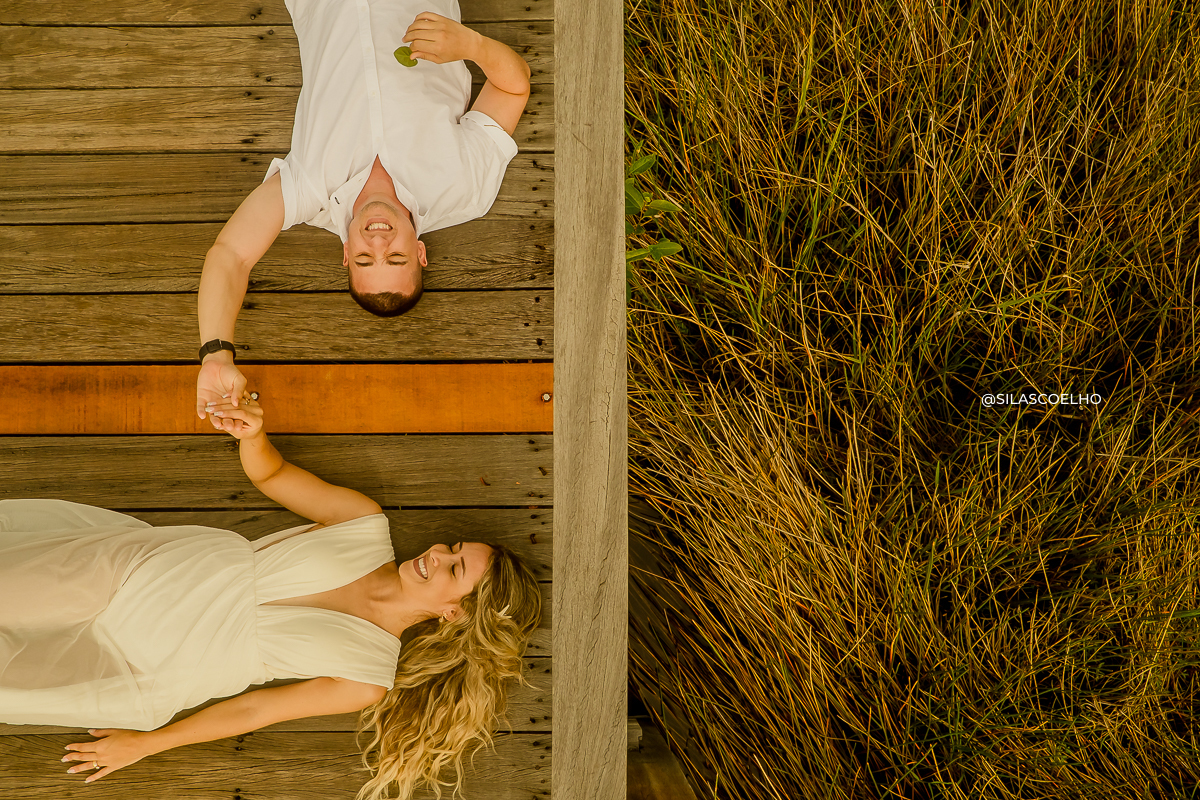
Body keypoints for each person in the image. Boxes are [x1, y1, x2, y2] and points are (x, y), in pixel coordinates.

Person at [0, 394, 542, 800]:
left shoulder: (367, 676)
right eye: (451, 546)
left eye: (455, 568)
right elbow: (275, 473)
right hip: (139, 574)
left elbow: (256, 709)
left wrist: (145, 744)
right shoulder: (363, 523)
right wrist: (252, 435)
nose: (436, 553)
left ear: (454, 614)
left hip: (149, 664)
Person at [196, 0, 532, 424]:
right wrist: (472, 45)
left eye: (363, 258)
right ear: (421, 252)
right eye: (395, 257)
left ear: (345, 254)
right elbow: (512, 88)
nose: (377, 241)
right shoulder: (465, 188)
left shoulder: (308, 192)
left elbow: (231, 255)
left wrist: (215, 355)